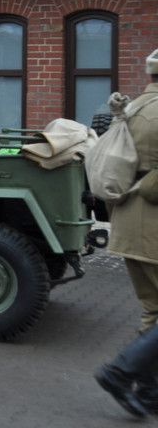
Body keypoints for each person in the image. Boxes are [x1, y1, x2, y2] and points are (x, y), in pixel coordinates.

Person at [95, 48, 158, 418]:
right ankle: (119, 372)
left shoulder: (132, 109)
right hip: (153, 223)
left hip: (127, 221)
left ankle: (149, 396)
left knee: (153, 311)